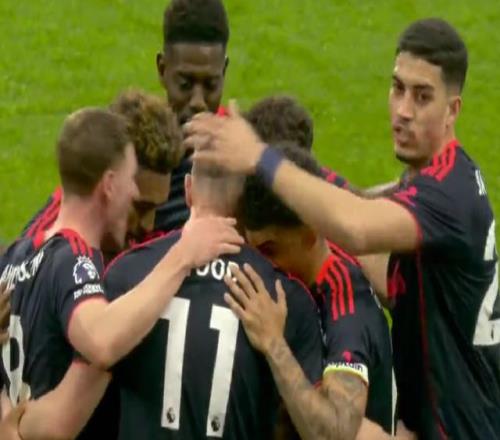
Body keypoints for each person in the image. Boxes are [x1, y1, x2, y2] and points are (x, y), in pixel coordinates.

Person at [185, 18, 500, 439]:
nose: (403, 110)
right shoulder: (437, 178)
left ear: (452, 109)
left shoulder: (447, 195)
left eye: (422, 96)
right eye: (398, 88)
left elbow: (355, 227)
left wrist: (260, 156)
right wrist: (291, 163)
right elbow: (382, 256)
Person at [16, 160, 323, 440]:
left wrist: (10, 418)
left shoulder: (126, 274)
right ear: (247, 203)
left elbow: (63, 419)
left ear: (187, 189)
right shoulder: (284, 297)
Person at [0, 108, 243, 439]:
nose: (134, 193)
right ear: (110, 185)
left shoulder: (15, 257)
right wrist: (182, 255)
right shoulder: (74, 258)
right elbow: (102, 341)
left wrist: (9, 422)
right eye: (131, 181)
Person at [240, 144, 394, 435]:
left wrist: (273, 343)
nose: (259, 265)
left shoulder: (347, 309)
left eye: (269, 250)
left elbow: (335, 432)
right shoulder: (297, 271)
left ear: (311, 234)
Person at [154, 0, 231, 232]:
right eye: (185, 84)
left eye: (210, 85)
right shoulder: (129, 153)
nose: (198, 102)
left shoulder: (248, 153)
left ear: (224, 71)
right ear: (162, 69)